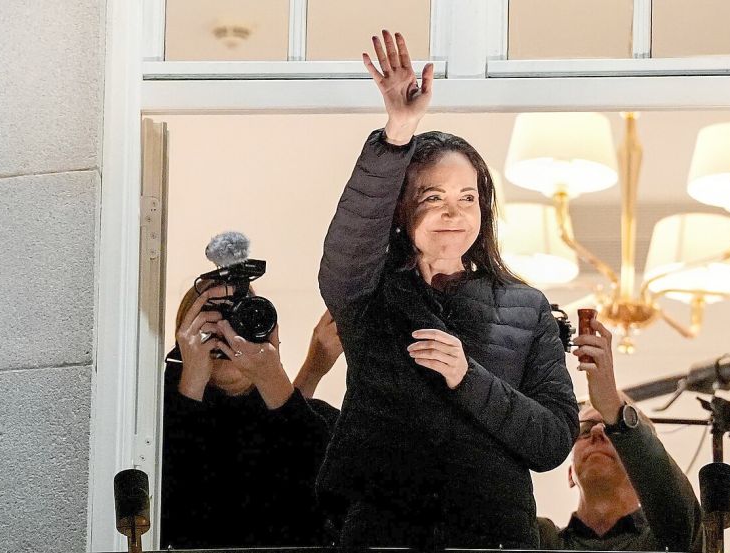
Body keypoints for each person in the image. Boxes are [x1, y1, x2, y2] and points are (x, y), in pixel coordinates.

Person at [317, 30, 579, 549]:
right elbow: (348, 246)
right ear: (400, 209)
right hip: (381, 534)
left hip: (492, 538)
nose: (453, 212)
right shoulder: (367, 292)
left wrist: (468, 377)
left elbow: (551, 442)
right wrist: (399, 130)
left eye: (467, 196)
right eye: (432, 196)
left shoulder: (527, 308)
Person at [159, 285, 342, 550]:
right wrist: (191, 382)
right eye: (212, 320)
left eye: (240, 317)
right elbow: (171, 502)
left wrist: (273, 377)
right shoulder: (147, 419)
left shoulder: (307, 418)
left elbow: (326, 495)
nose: (229, 333)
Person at [537, 318, 704, 552]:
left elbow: (681, 521)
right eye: (585, 430)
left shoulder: (662, 542)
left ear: (640, 471)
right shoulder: (542, 541)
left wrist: (613, 407)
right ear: (570, 475)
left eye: (610, 429)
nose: (596, 431)